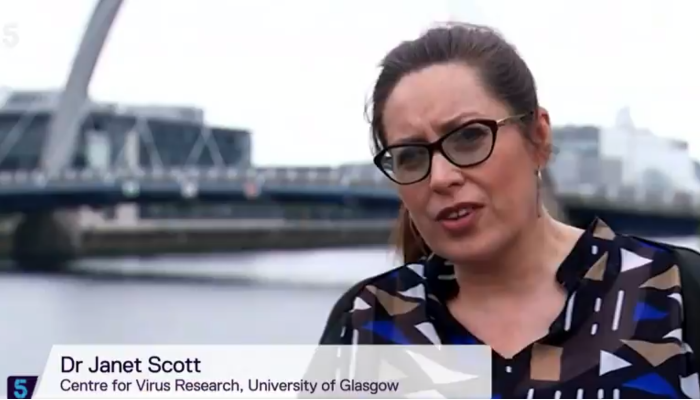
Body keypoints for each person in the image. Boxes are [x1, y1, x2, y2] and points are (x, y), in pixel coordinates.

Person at [318, 22, 700, 399]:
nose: (440, 177)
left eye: (469, 136)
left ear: (538, 138)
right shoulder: (367, 321)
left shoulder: (673, 292)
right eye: (411, 156)